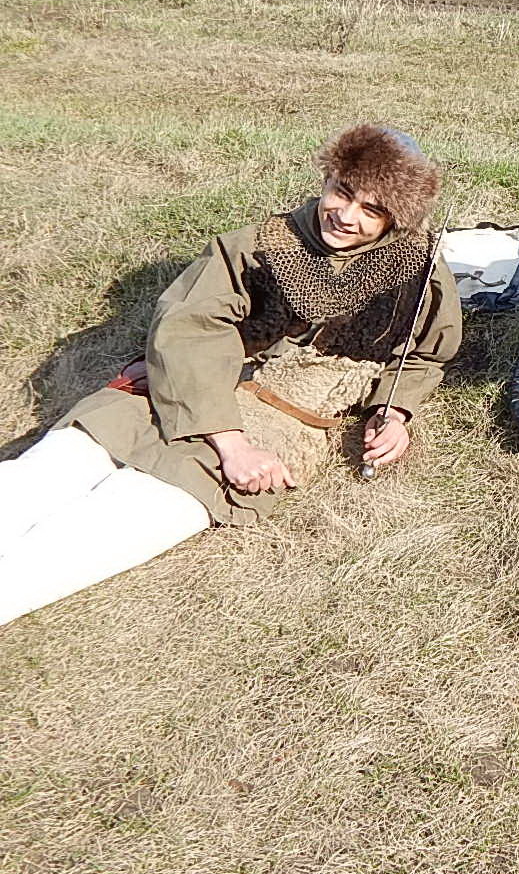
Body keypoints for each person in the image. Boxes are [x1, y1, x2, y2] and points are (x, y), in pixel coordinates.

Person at [0, 125, 462, 625]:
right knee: (41, 477)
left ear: (395, 218)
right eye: (343, 193)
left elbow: (423, 353)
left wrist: (393, 412)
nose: (346, 216)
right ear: (328, 178)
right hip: (186, 386)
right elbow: (187, 329)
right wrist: (231, 442)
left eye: (372, 210)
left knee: (94, 535)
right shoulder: (258, 246)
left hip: (285, 418)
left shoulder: (419, 267)